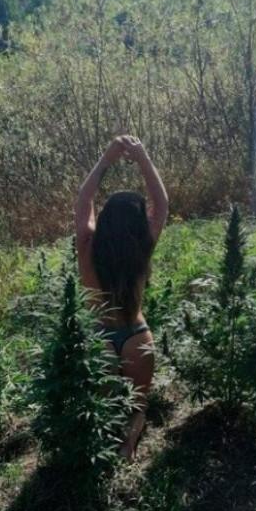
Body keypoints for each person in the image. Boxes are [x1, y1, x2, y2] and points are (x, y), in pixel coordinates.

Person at [75, 135, 169, 459]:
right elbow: (162, 204)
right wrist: (142, 158)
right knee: (137, 406)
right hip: (136, 335)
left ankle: (100, 448)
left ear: (105, 219)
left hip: (98, 337)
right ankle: (127, 447)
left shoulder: (87, 247)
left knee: (101, 406)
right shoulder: (143, 247)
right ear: (138, 223)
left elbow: (83, 201)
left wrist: (106, 159)